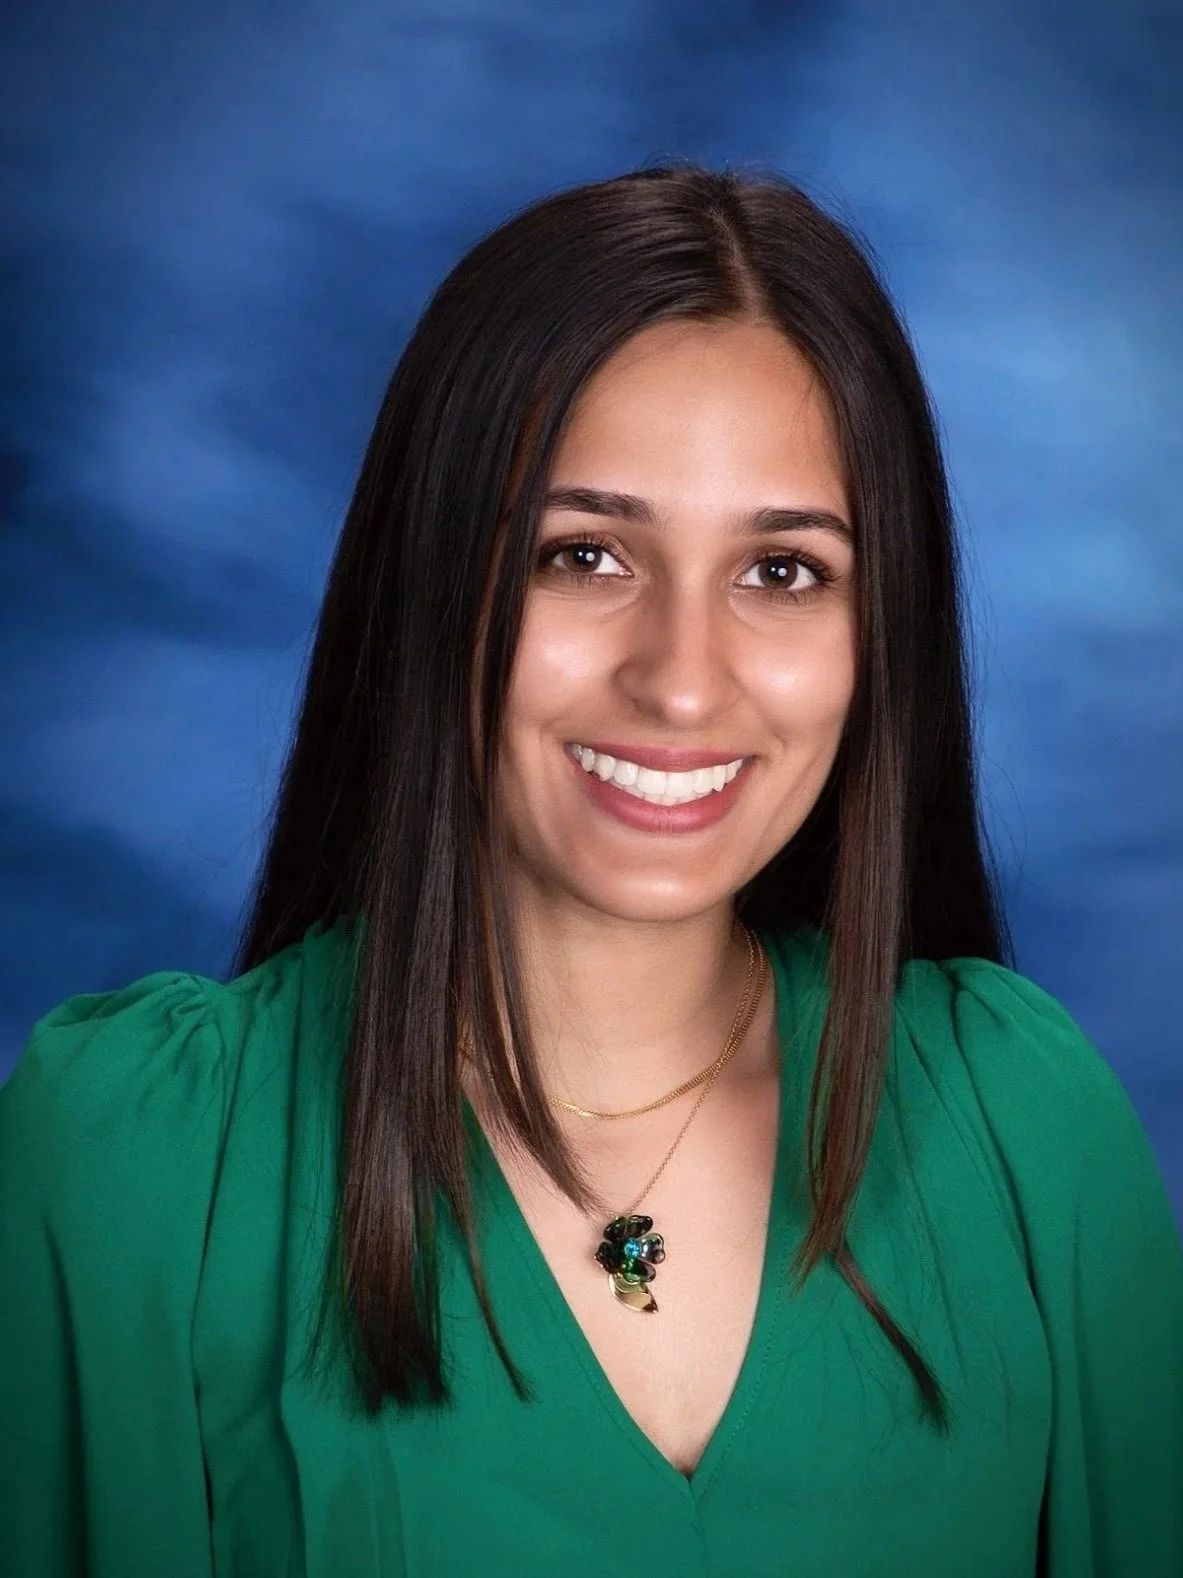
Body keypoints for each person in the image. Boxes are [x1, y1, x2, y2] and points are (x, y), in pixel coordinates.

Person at [1, 164, 1180, 1578]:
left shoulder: (1024, 1127)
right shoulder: (140, 1167)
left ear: (886, 634)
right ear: (432, 580)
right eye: (583, 554)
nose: (682, 682)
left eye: (783, 572)